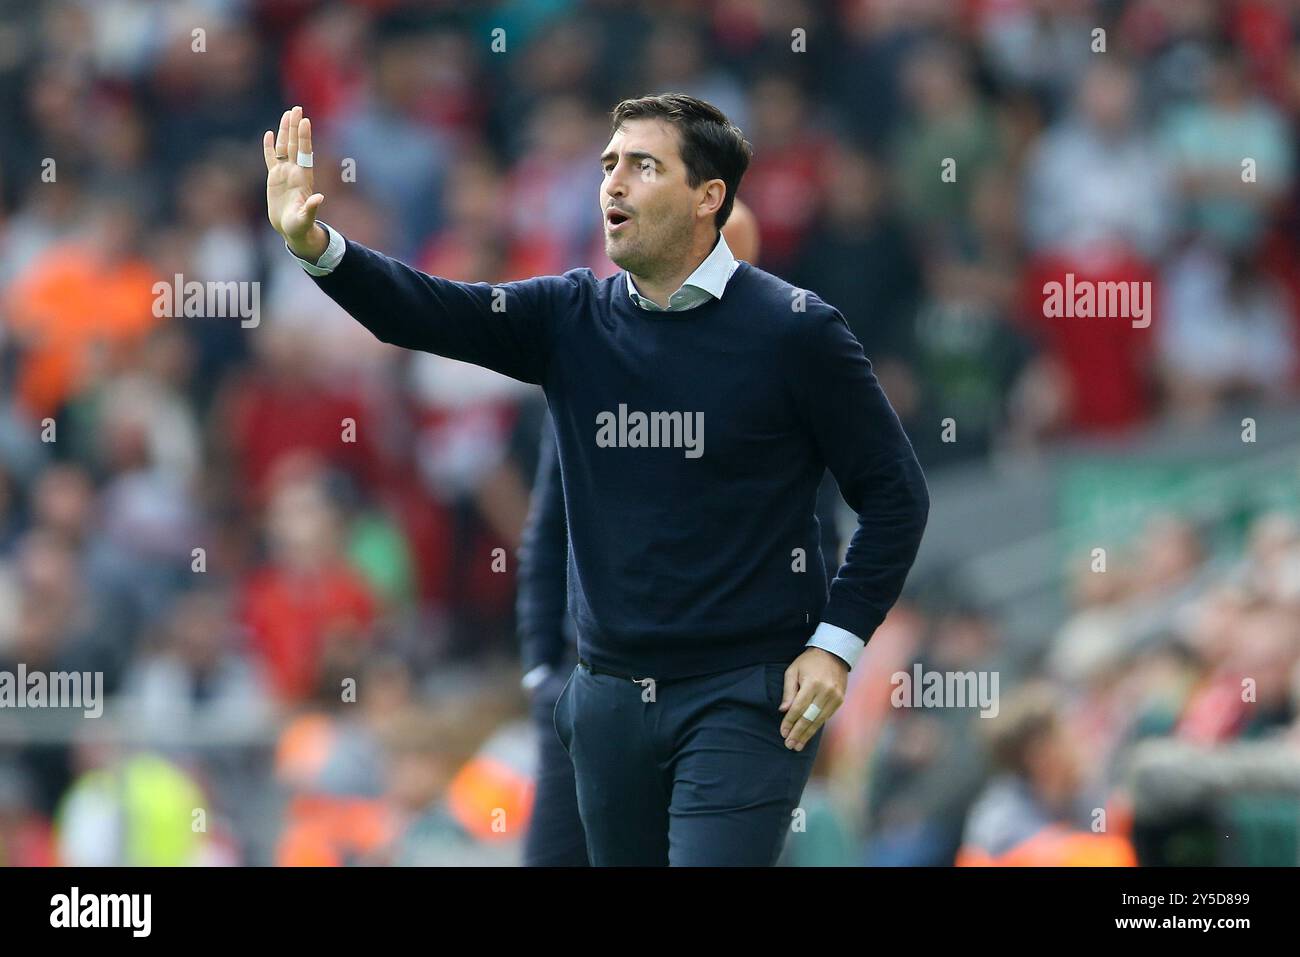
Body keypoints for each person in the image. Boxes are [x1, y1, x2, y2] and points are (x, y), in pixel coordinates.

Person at [264, 93, 930, 866]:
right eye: (608, 164)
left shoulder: (796, 328)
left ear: (709, 196)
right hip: (609, 699)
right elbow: (423, 312)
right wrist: (316, 246)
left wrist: (836, 644)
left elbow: (896, 496)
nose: (612, 183)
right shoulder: (570, 315)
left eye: (642, 166)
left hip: (746, 696)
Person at [515, 200, 845, 867]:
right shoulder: (592, 362)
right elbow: (550, 530)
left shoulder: (788, 366)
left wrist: (818, 650)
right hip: (599, 686)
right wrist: (540, 671)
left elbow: (825, 538)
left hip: (731, 689)